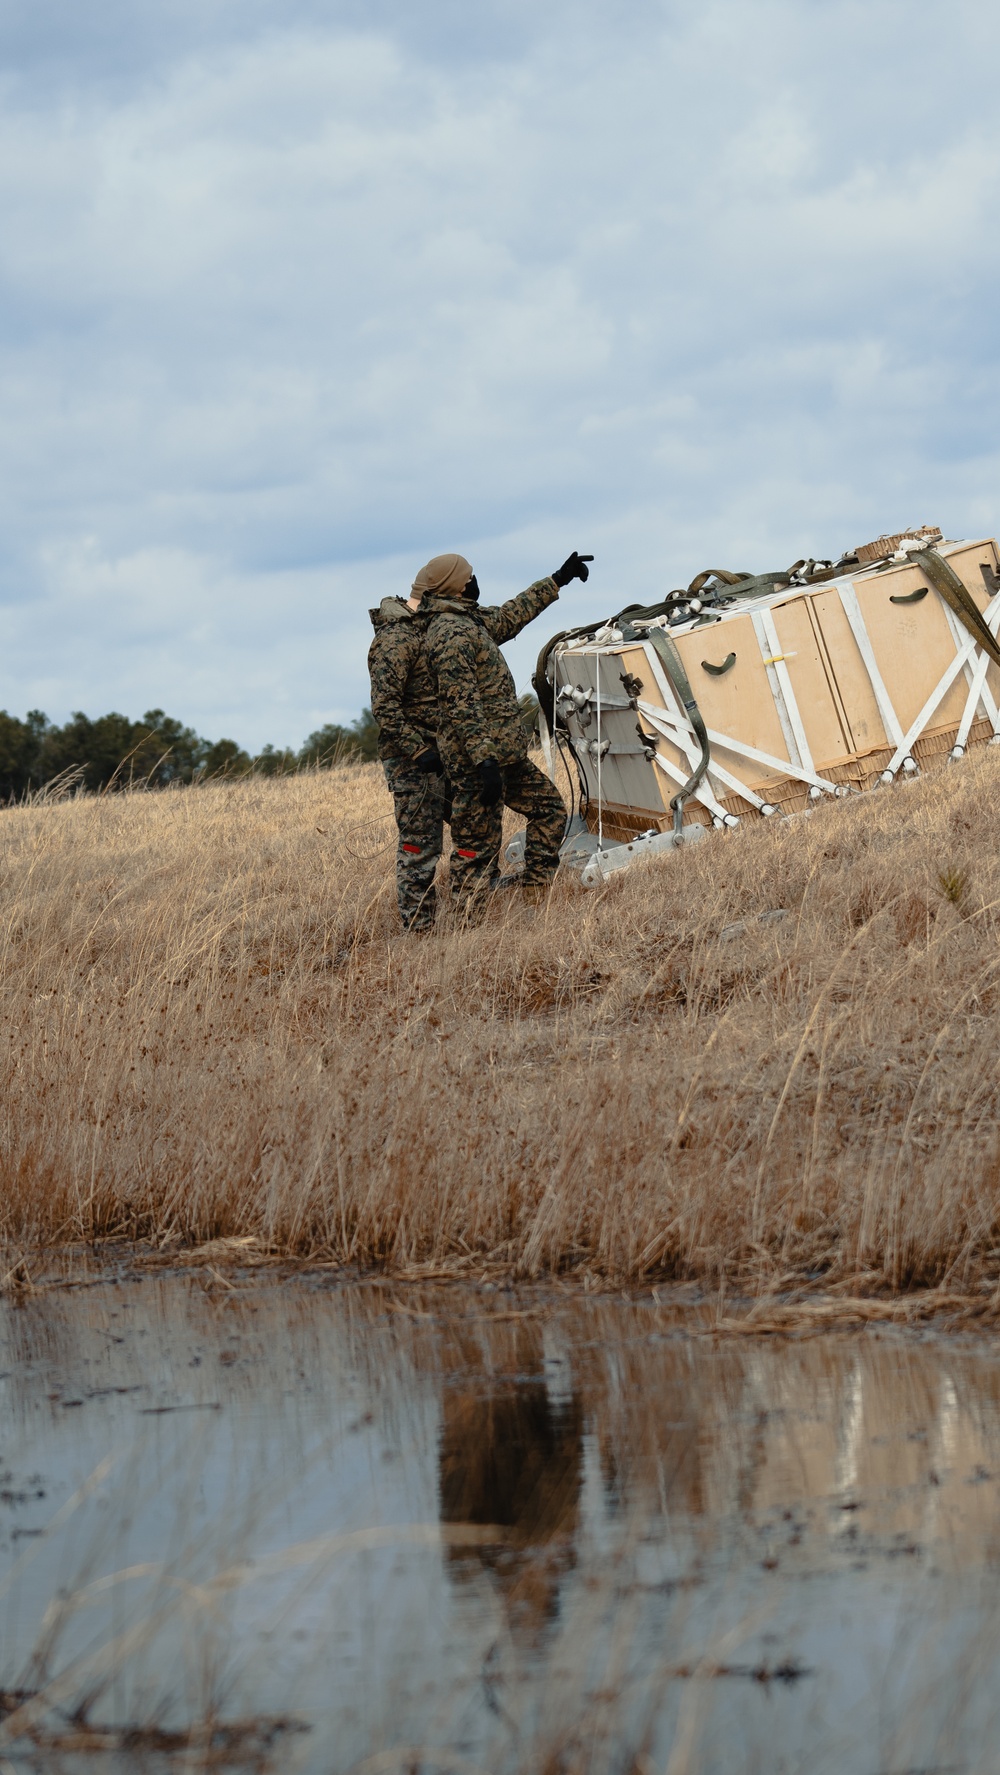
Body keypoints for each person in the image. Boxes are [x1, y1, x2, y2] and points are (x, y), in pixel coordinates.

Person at [418, 550, 593, 909]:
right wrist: (484, 763)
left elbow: (511, 615)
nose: (474, 582)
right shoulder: (449, 635)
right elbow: (461, 705)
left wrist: (558, 578)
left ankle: (535, 901)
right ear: (455, 586)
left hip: (504, 756)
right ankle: (468, 930)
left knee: (550, 811)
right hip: (477, 764)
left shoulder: (469, 621)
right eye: (469, 577)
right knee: (475, 849)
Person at [367, 587, 448, 932]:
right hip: (411, 762)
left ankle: (469, 913)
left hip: (440, 753)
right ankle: (419, 931)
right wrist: (419, 751)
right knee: (419, 844)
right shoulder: (394, 639)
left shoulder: (423, 628)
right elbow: (384, 707)